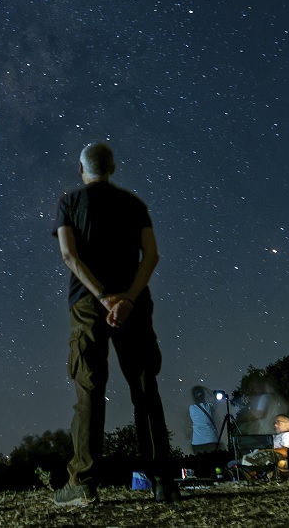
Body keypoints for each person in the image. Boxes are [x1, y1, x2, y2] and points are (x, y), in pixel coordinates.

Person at [51, 141, 177, 506]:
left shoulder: (68, 204)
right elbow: (151, 255)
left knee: (89, 389)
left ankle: (84, 482)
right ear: (113, 168)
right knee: (144, 388)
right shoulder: (135, 205)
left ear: (81, 170)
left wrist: (104, 297)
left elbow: (69, 255)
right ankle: (164, 482)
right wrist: (128, 299)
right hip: (132, 304)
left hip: (88, 305)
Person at [190, 386, 220, 455]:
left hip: (197, 443)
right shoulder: (209, 407)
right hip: (211, 441)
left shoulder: (191, 409)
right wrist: (208, 390)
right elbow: (217, 400)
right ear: (203, 395)